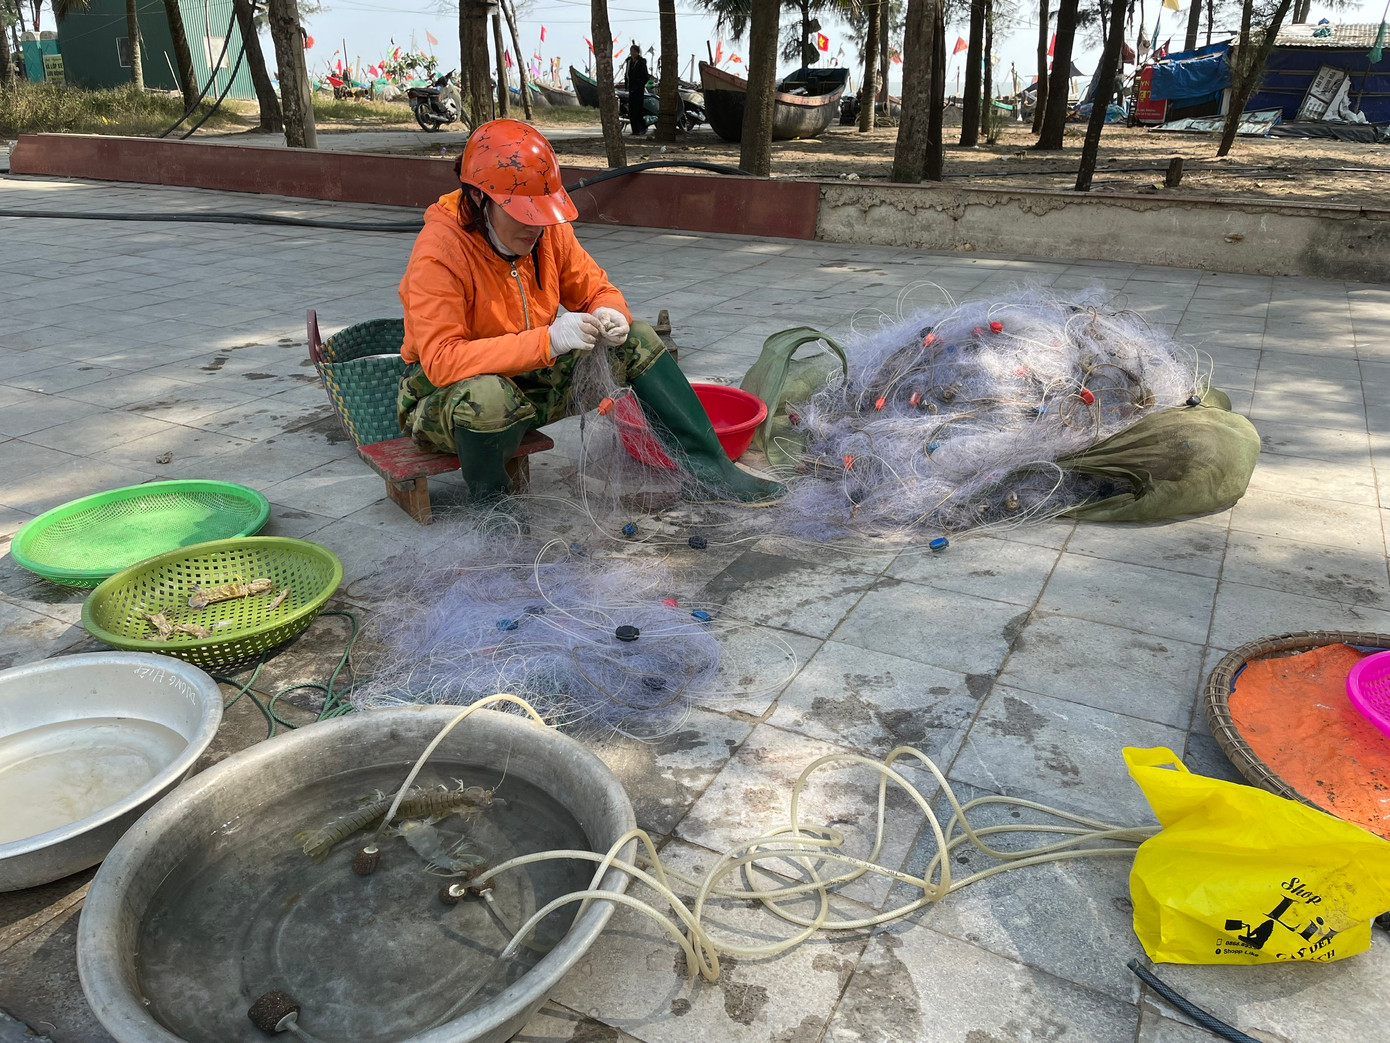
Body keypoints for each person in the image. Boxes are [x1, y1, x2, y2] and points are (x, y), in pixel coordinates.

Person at [396, 118, 781, 508]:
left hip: (526, 383)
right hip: (445, 400)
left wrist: (610, 312)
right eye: (522, 214)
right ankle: (493, 508)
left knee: (638, 338)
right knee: (488, 397)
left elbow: (597, 289)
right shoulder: (439, 251)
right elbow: (442, 360)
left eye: (541, 213)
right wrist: (548, 340)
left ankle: (712, 471)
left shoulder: (548, 231)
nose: (535, 227)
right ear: (479, 199)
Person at [622, 43, 649, 136]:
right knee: (631, 110)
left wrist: (638, 85)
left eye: (634, 52)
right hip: (631, 89)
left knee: (638, 109)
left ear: (637, 52)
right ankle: (635, 130)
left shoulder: (642, 62)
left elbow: (645, 76)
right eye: (631, 52)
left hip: (638, 89)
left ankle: (643, 126)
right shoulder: (629, 61)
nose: (632, 53)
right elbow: (627, 74)